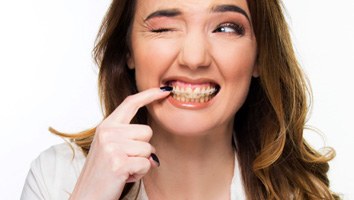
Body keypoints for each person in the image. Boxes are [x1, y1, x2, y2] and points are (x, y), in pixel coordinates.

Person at [21, 0, 340, 199]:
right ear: (128, 50)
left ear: (260, 56)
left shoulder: (305, 194)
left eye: (226, 28)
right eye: (163, 28)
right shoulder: (56, 178)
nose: (194, 57)